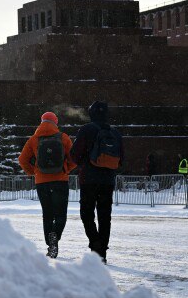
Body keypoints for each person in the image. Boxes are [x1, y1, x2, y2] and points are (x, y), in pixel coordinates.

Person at [70, 101, 123, 264]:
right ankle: (102, 253)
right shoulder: (115, 133)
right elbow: (120, 160)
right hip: (107, 180)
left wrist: (84, 163)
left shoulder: (86, 130)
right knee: (105, 216)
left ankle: (96, 246)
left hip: (89, 179)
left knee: (86, 214)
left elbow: (74, 154)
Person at [18, 112, 75, 259]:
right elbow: (74, 158)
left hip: (42, 182)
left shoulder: (34, 139)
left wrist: (34, 172)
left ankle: (51, 246)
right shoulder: (63, 137)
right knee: (61, 214)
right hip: (60, 181)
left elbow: (22, 160)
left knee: (47, 215)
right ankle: (55, 236)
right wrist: (66, 169)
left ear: (41, 122)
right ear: (55, 123)